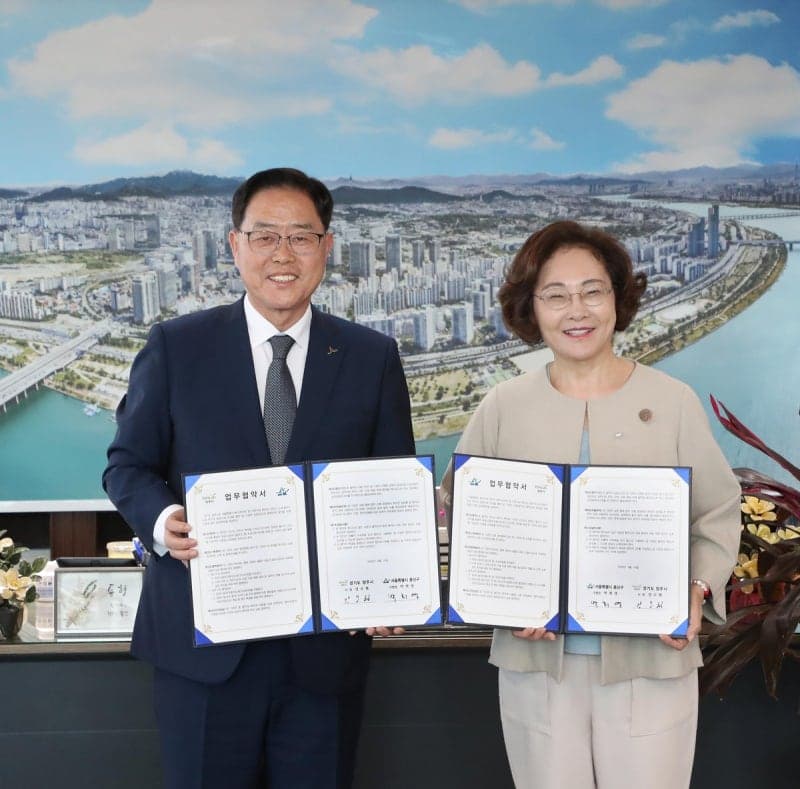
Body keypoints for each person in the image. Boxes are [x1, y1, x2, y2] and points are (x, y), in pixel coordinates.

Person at [103, 167, 415, 789]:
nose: (282, 254)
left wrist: (387, 586)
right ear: (233, 244)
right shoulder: (176, 346)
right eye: (264, 235)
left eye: (301, 237)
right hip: (204, 650)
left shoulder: (370, 356)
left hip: (323, 656)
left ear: (327, 248)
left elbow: (391, 487)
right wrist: (167, 524)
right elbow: (128, 466)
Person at [444, 220, 740, 788]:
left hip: (651, 660)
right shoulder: (503, 405)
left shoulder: (671, 401)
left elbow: (717, 513)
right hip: (537, 665)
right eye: (555, 296)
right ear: (531, 308)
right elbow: (464, 514)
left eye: (592, 291)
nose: (575, 310)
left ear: (618, 298)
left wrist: (697, 589)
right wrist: (504, 595)